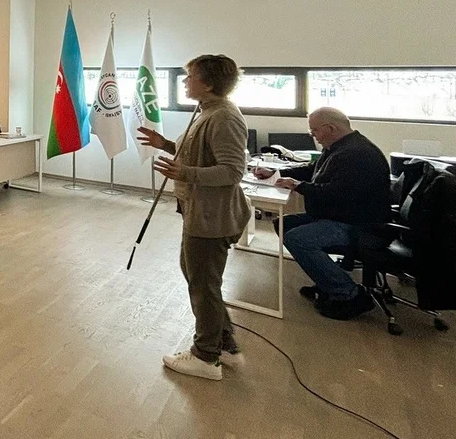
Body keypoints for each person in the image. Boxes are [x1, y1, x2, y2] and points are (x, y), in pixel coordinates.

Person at [138, 55, 250, 381]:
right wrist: (167, 144)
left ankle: (205, 356)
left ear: (210, 83)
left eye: (190, 77)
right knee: (200, 279)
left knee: (203, 284)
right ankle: (225, 345)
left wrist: (185, 171)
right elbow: (200, 152)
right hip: (200, 213)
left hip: (213, 218)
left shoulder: (224, 117)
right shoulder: (207, 112)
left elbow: (231, 171)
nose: (185, 82)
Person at [255, 107, 390, 320]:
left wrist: (299, 186)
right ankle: (327, 281)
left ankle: (349, 294)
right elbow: (312, 170)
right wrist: (277, 173)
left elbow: (336, 194)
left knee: (297, 239)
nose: (313, 136)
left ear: (330, 128)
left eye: (314, 131)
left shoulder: (357, 154)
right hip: (339, 216)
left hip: (357, 225)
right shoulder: (338, 147)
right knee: (284, 224)